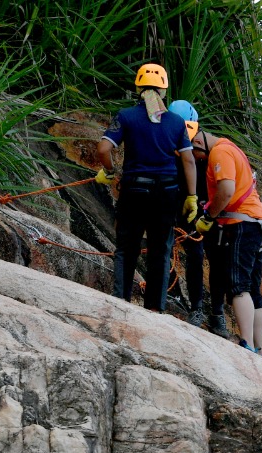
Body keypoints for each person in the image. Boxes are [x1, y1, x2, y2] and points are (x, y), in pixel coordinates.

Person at [97, 63, 198, 312]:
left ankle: (120, 299)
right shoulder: (176, 123)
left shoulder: (126, 116)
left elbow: (103, 149)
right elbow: (188, 161)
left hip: (134, 189)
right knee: (160, 250)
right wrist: (192, 197)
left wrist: (110, 171)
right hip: (166, 192)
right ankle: (156, 308)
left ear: (138, 88)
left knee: (126, 247)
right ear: (164, 91)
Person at [191, 128, 262, 354]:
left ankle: (246, 344)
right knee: (254, 290)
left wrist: (208, 216)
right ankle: (258, 347)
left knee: (239, 286)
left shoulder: (220, 152)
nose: (197, 159)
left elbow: (226, 191)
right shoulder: (234, 149)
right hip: (260, 225)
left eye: (196, 153)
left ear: (198, 141)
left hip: (242, 226)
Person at [165, 100, 228, 337]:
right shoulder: (170, 137)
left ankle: (216, 313)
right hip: (183, 204)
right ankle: (195, 307)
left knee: (213, 258)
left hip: (206, 208)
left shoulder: (209, 148)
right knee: (193, 253)